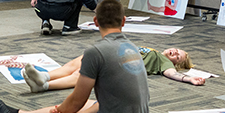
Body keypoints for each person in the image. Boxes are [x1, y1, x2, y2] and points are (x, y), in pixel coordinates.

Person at [0, 0, 150, 113]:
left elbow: (77, 100)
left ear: (95, 21)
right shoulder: (133, 48)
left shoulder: (96, 52)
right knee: (90, 103)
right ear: (123, 21)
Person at [21, 46, 202, 92]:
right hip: (116, 55)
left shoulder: (165, 63)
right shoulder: (155, 51)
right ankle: (45, 76)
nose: (174, 53)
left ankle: (44, 86)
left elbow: (171, 74)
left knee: (83, 73)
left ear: (176, 63)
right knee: (79, 61)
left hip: (120, 67)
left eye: (178, 57)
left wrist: (189, 79)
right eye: (177, 50)